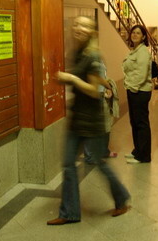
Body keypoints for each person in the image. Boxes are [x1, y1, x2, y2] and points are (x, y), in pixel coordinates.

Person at [47, 16, 130, 225]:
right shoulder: (78, 53)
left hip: (92, 121)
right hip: (77, 119)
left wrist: (72, 79)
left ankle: (121, 198)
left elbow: (94, 91)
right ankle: (69, 213)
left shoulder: (93, 56)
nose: (78, 28)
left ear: (92, 31)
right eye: (76, 24)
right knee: (68, 164)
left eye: (84, 26)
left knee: (99, 163)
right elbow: (96, 80)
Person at [122, 24, 152, 164]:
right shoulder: (134, 51)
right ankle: (137, 150)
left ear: (143, 37)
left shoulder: (143, 52)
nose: (134, 35)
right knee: (134, 122)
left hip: (140, 91)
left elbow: (142, 74)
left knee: (141, 123)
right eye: (133, 32)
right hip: (133, 89)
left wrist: (132, 88)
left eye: (138, 33)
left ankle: (144, 156)